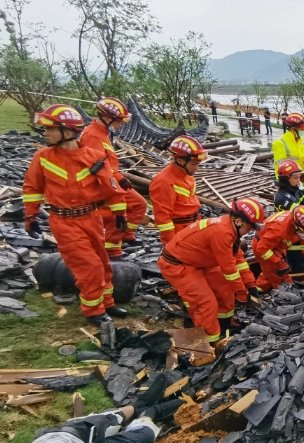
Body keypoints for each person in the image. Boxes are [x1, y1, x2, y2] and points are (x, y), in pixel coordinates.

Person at [23, 105, 129, 325]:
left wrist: (120, 214)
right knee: (89, 267)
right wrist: (30, 217)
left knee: (103, 262)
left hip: (91, 218)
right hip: (64, 222)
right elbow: (32, 189)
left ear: (68, 132)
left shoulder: (95, 157)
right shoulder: (43, 158)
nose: (46, 134)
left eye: (50, 129)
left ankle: (107, 303)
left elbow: (112, 188)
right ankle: (93, 311)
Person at [158, 198, 265, 345]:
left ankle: (224, 323)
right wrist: (241, 293)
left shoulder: (231, 230)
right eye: (250, 227)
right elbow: (229, 270)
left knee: (225, 288)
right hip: (178, 265)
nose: (251, 231)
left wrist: (250, 285)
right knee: (206, 303)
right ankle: (208, 343)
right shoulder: (222, 232)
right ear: (240, 221)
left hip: (198, 262)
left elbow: (238, 260)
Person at [80, 97, 149, 260]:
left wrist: (120, 177)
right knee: (115, 215)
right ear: (108, 118)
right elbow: (97, 167)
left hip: (113, 179)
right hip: (103, 184)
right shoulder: (92, 135)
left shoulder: (102, 133)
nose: (122, 124)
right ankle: (112, 250)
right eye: (119, 120)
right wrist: (116, 181)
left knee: (139, 204)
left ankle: (126, 235)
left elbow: (107, 163)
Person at [32, 374, 180, 443]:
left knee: (105, 420)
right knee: (144, 435)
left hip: (63, 437)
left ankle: (138, 406)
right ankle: (148, 415)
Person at [150, 135, 206, 245]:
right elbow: (163, 219)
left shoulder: (188, 177)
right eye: (194, 164)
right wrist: (172, 245)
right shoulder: (163, 182)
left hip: (192, 227)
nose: (197, 168)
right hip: (179, 234)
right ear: (180, 160)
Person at [253, 205, 304, 292]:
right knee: (279, 273)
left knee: (269, 271)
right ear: (296, 226)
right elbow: (262, 249)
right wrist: (279, 263)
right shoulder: (279, 229)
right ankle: (286, 293)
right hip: (263, 246)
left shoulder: (302, 225)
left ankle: (258, 289)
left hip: (277, 244)